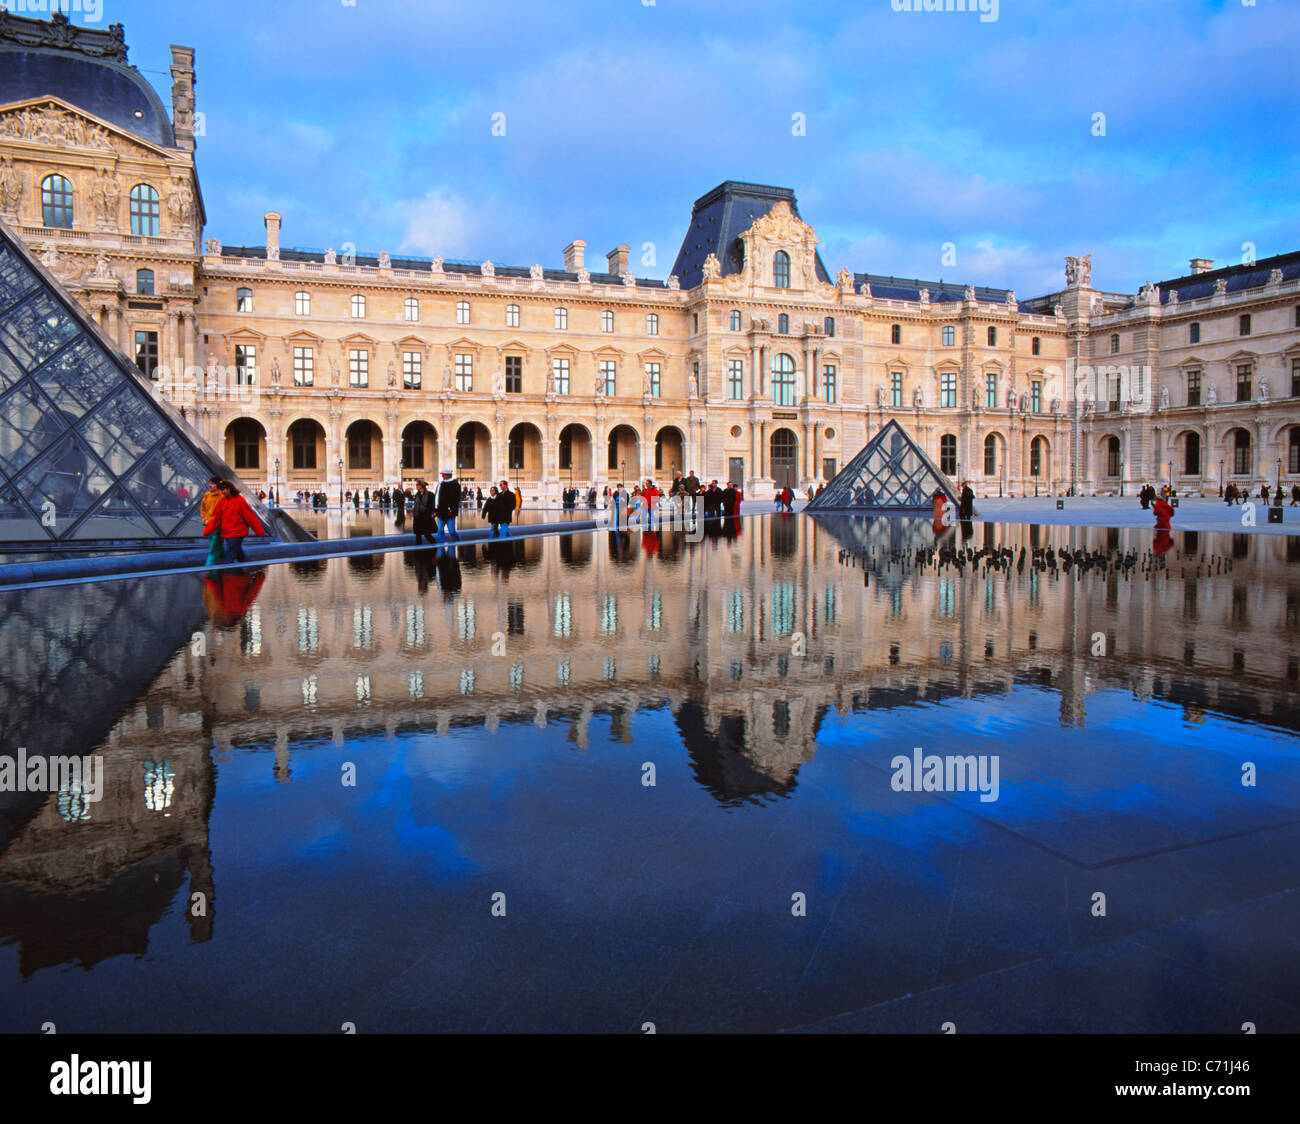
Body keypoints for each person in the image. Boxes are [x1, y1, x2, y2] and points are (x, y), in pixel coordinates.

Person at [203, 480, 266, 564]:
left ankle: (228, 573)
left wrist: (259, 531)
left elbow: (250, 517)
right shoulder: (223, 501)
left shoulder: (239, 500)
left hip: (237, 532)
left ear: (229, 489)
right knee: (238, 553)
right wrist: (208, 530)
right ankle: (247, 569)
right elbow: (217, 519)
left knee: (229, 555)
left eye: (224, 489)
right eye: (221, 489)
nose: (222, 492)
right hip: (227, 533)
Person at [200, 476, 224, 566]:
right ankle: (233, 565)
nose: (210, 485)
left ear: (218, 485)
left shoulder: (222, 497)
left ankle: (208, 568)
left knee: (213, 549)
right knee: (219, 547)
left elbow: (221, 513)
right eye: (210, 483)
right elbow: (202, 509)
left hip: (217, 527)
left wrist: (209, 520)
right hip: (209, 526)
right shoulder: (207, 495)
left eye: (213, 483)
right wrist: (204, 519)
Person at [434, 468, 462, 542]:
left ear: (448, 475)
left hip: (450, 512)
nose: (442, 476)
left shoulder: (455, 484)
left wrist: (451, 510)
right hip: (441, 512)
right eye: (442, 475)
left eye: (443, 475)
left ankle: (458, 542)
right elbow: (436, 497)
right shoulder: (441, 483)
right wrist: (435, 509)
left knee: (452, 531)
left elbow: (456, 499)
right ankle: (441, 546)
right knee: (440, 530)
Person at [411, 478, 436, 545]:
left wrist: (433, 513)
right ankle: (418, 552)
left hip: (426, 517)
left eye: (417, 485)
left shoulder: (430, 494)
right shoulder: (417, 494)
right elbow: (416, 505)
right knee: (418, 535)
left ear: (421, 485)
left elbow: (433, 505)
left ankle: (434, 546)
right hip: (417, 517)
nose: (416, 486)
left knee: (427, 534)